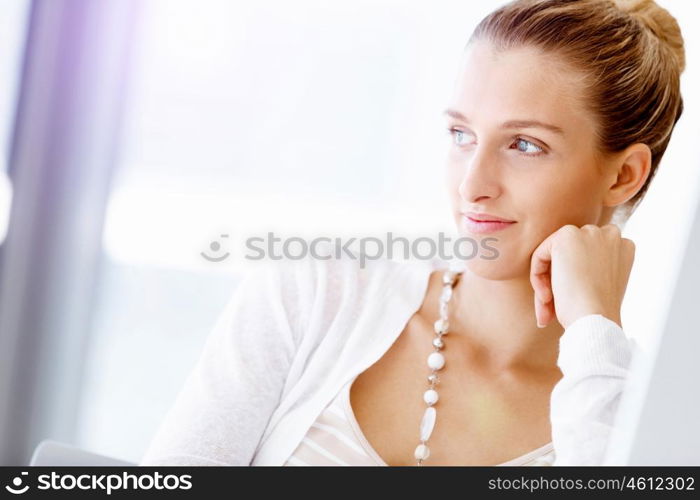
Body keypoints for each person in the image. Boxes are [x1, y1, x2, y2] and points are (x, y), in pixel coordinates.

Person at [139, 0, 685, 466]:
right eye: (460, 134)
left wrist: (594, 329)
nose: (473, 183)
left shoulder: (630, 413)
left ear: (623, 175)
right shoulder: (317, 294)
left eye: (524, 145)